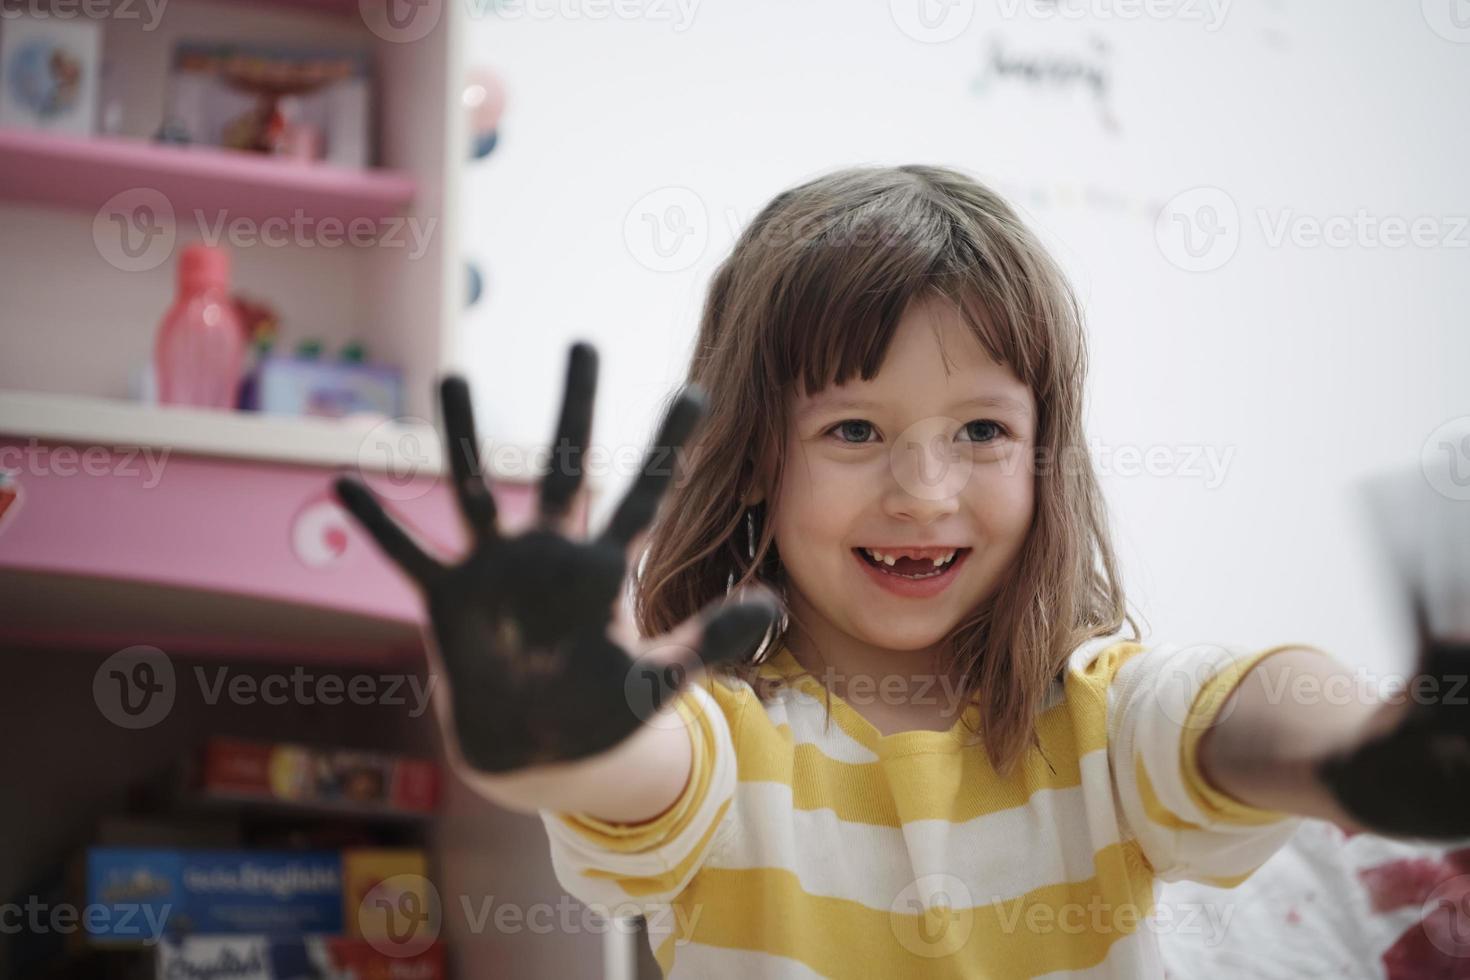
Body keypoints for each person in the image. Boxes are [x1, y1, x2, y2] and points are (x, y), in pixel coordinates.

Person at [335, 165, 1468, 978]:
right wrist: (551, 725)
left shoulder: (1104, 718)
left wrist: (1358, 751)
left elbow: (1235, 710)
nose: (925, 490)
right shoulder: (726, 741)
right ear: (752, 463)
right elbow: (637, 765)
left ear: (1045, 458)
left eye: (980, 431)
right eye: (856, 431)